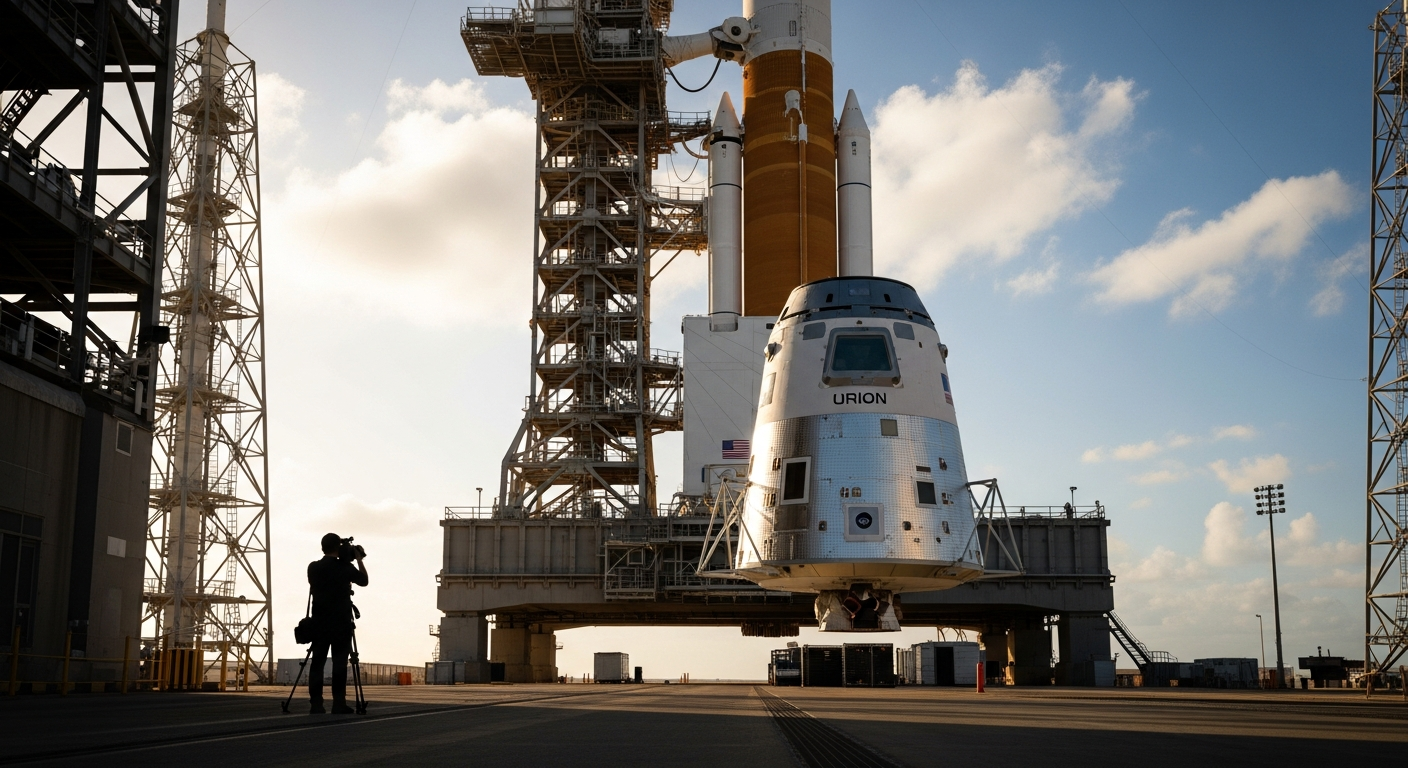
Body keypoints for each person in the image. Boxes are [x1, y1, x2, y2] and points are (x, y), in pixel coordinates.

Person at [307, 532, 368, 714]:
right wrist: (358, 560)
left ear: (322, 547)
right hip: (341, 624)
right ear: (338, 548)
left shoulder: (313, 567)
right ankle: (338, 704)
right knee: (339, 665)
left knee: (317, 664)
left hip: (319, 623)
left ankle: (316, 705)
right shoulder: (345, 568)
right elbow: (364, 581)